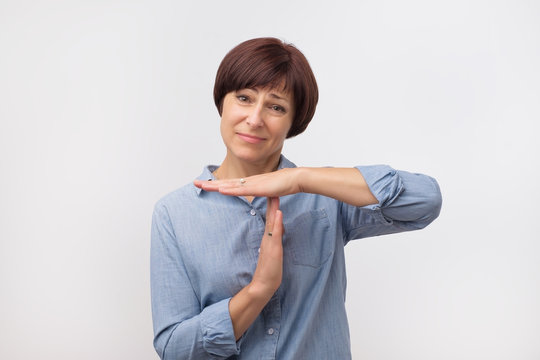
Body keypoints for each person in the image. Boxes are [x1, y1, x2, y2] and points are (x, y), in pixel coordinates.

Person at [150, 37, 442, 360]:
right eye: (244, 98)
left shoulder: (326, 197)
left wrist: (301, 179)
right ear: (223, 103)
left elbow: (425, 201)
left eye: (276, 107)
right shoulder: (173, 214)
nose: (255, 118)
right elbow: (174, 349)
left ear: (293, 122)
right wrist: (258, 291)